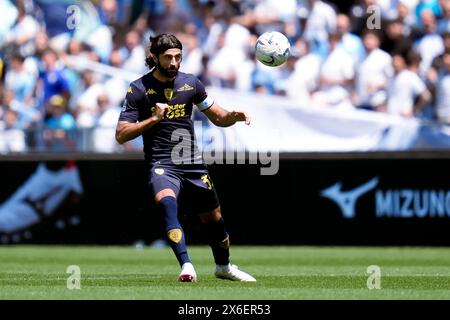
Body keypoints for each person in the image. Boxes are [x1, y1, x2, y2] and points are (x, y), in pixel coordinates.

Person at [115, 33, 256, 283]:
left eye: (178, 57)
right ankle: (187, 265)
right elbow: (121, 134)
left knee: (214, 220)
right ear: (154, 57)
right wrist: (153, 119)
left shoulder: (192, 84)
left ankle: (223, 267)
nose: (174, 62)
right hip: (162, 163)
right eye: (168, 57)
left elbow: (218, 116)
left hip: (192, 163)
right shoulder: (138, 89)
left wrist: (232, 116)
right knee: (168, 204)